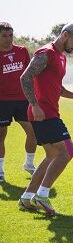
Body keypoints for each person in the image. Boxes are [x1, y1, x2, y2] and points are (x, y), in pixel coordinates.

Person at [17, 23, 73, 215]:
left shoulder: (61, 57)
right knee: (67, 152)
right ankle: (42, 195)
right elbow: (25, 77)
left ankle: (26, 197)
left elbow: (57, 87)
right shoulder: (46, 53)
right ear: (65, 35)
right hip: (43, 113)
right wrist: (35, 104)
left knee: (52, 156)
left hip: (50, 112)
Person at [0, 22, 37, 181]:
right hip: (2, 101)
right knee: (1, 136)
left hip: (23, 99)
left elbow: (29, 74)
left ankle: (29, 164)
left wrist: (35, 97)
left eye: (10, 35)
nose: (8, 39)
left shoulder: (22, 51)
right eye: (4, 36)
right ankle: (0, 171)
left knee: (33, 132)